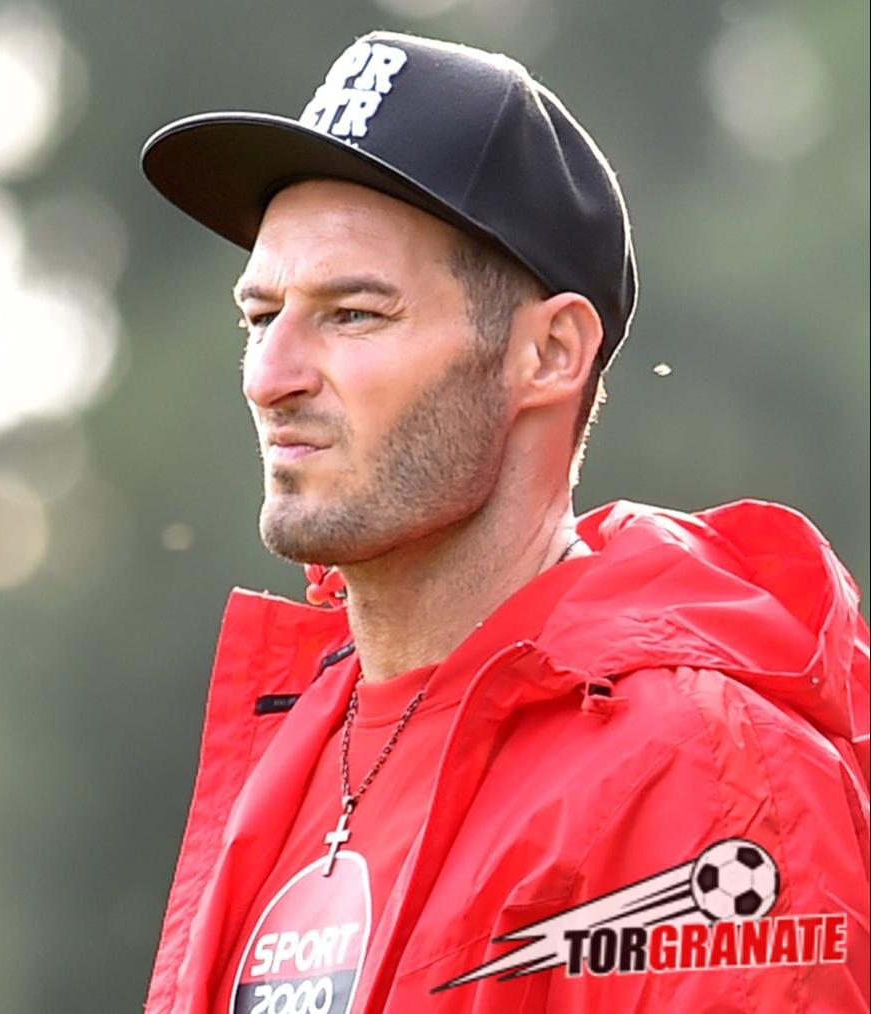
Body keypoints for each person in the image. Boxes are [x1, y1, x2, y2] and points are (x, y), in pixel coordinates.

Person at [137, 30, 869, 1014]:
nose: (270, 376)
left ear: (550, 353)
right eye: (261, 317)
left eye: (352, 313)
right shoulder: (301, 738)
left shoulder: (691, 776)